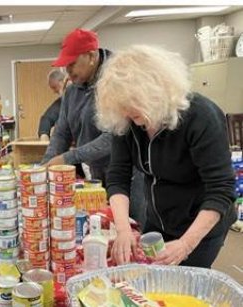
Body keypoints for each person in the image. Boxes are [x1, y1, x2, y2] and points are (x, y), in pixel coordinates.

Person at [95, 45, 237, 268]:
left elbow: (221, 189)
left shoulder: (202, 116)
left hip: (200, 224)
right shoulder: (128, 120)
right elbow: (118, 176)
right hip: (159, 217)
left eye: (136, 107)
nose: (130, 116)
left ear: (157, 92)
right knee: (150, 281)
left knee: (184, 287)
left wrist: (186, 244)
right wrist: (123, 230)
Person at [41, 28, 146, 227]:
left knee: (131, 230)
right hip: (97, 174)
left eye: (72, 64)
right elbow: (62, 132)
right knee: (102, 226)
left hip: (128, 174)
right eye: (65, 66)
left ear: (91, 56)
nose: (68, 72)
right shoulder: (72, 91)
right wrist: (44, 167)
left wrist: (67, 158)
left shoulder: (119, 81)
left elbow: (113, 137)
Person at [38, 69, 65, 141]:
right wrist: (44, 134)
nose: (54, 91)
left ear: (61, 83)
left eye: (54, 87)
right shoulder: (61, 102)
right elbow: (47, 118)